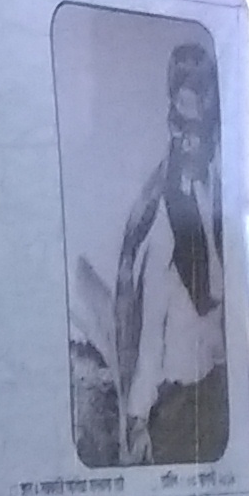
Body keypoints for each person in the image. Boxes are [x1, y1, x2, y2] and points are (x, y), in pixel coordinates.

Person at [72, 39, 229, 467]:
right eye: (180, 125)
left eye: (199, 128)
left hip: (215, 398)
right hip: (173, 409)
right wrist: (138, 417)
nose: (189, 140)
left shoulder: (221, 198)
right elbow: (146, 328)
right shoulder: (161, 215)